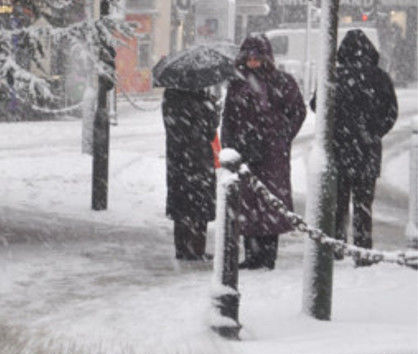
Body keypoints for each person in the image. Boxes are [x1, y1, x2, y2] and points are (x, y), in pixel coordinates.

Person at [221, 34, 307, 271]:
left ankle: (268, 255)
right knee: (247, 208)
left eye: (257, 58)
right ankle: (252, 254)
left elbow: (298, 112)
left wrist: (281, 136)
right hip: (245, 154)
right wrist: (230, 147)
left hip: (272, 157)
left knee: (270, 206)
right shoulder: (237, 85)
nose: (253, 63)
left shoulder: (282, 82)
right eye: (249, 59)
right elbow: (228, 120)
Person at [322, 29, 398, 266]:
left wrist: (336, 129)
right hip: (367, 152)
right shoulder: (380, 77)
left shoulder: (334, 76)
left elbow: (318, 105)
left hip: (340, 151)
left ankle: (337, 246)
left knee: (339, 204)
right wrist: (373, 133)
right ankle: (363, 251)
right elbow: (391, 112)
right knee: (363, 206)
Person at [162, 87, 219, 264]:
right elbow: (209, 132)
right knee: (199, 206)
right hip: (198, 159)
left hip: (178, 160)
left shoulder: (170, 99)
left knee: (182, 205)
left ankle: (183, 248)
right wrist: (212, 109)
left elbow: (176, 129)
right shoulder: (201, 101)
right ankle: (196, 248)